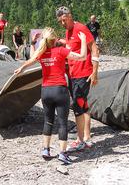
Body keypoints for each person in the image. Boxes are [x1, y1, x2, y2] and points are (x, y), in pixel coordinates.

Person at [14, 28, 88, 165]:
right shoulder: (61, 51)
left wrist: (21, 69)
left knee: (48, 121)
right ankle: (62, 154)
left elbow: (30, 60)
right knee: (62, 123)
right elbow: (82, 56)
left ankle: (46, 150)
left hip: (46, 91)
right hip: (60, 91)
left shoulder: (41, 52)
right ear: (55, 39)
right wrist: (83, 40)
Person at [56, 6, 99, 152]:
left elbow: (94, 47)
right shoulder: (68, 31)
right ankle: (86, 138)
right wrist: (60, 42)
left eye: (63, 20)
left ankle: (80, 140)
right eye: (60, 21)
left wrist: (95, 71)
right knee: (83, 105)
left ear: (69, 16)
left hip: (83, 73)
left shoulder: (80, 28)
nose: (62, 23)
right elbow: (71, 47)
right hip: (73, 73)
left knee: (78, 106)